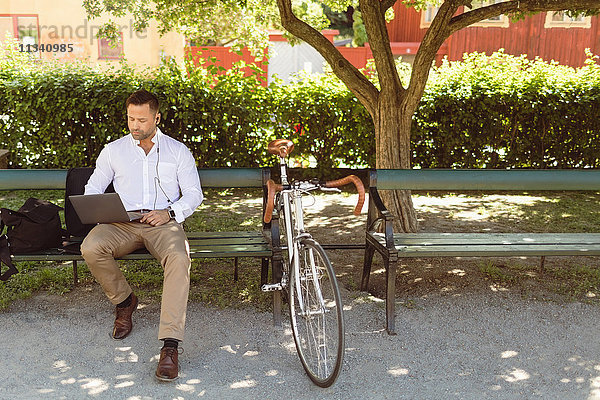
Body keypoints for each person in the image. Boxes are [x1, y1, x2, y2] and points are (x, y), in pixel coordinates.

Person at [80, 89, 203, 382]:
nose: (135, 125)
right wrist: (102, 210)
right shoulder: (114, 150)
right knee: (91, 247)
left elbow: (194, 194)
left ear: (156, 117)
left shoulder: (177, 151)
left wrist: (170, 213)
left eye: (142, 119)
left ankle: (170, 346)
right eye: (130, 119)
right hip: (122, 222)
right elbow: (92, 189)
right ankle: (125, 302)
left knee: (178, 256)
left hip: (163, 222)